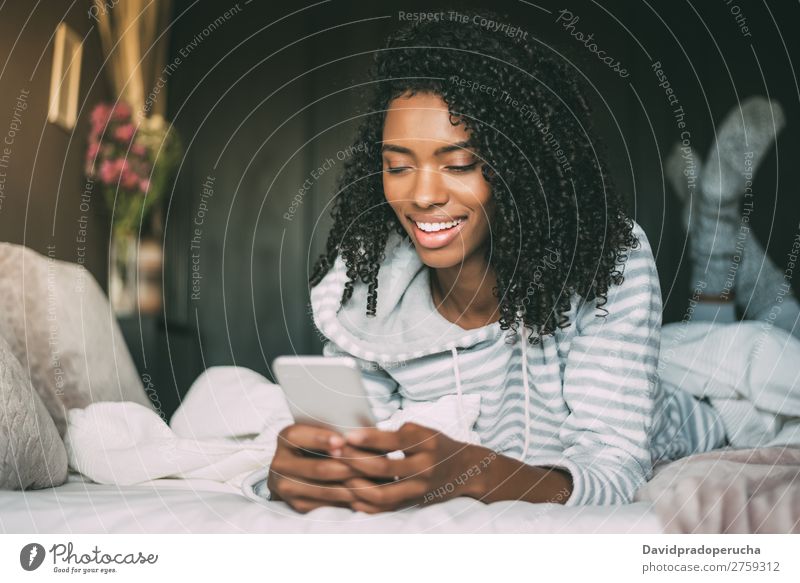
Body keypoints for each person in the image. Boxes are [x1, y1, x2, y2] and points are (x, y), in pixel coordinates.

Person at [265, 11, 799, 514]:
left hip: (701, 409)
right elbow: (365, 450)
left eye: (458, 164)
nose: (422, 195)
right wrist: (305, 474)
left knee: (776, 337)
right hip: (647, 359)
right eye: (397, 166)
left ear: (520, 165)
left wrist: (474, 472)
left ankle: (715, 220)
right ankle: (715, 218)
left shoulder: (604, 261)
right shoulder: (369, 291)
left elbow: (617, 471)